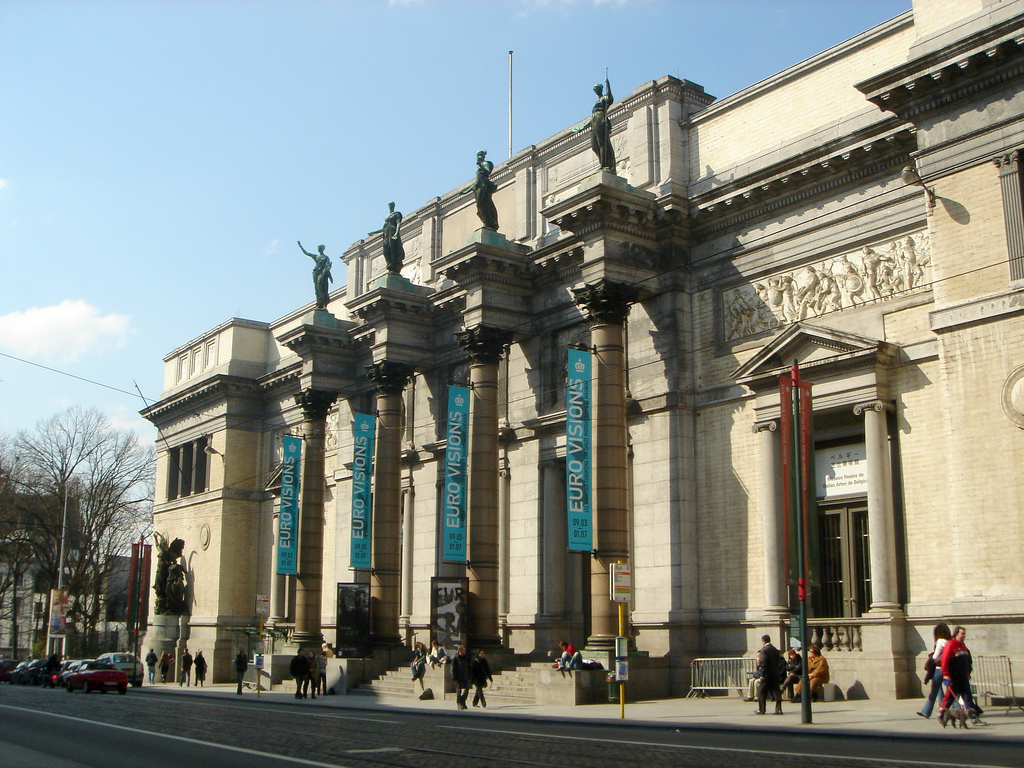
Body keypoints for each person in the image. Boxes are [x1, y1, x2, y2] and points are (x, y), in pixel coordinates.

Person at [938, 625, 984, 726]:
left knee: (968, 698)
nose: (964, 636)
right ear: (956, 634)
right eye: (962, 633)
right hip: (954, 677)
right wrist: (945, 675)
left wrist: (967, 672)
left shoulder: (963, 646)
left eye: (964, 634)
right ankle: (940, 716)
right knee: (949, 698)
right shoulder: (951, 645)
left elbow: (967, 661)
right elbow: (944, 660)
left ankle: (973, 718)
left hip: (963, 677)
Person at [918, 622, 952, 719]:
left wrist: (931, 656)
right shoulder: (949, 641)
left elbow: (936, 656)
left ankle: (927, 711)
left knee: (934, 691)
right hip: (948, 668)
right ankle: (942, 707)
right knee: (949, 689)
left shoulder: (940, 641)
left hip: (939, 668)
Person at [460, 150, 498, 231]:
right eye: (478, 155)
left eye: (480, 155)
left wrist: (480, 165)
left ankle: (488, 222)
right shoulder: (479, 168)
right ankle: (486, 222)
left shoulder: (485, 164)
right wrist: (466, 191)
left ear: (483, 156)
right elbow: (476, 183)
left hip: (483, 187)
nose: (479, 157)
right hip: (478, 188)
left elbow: (487, 171)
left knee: (482, 205)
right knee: (479, 206)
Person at [370, 202, 405, 274]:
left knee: (393, 250)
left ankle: (394, 267)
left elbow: (398, 224)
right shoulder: (387, 217)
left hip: (392, 232)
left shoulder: (396, 214)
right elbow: (383, 228)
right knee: (386, 251)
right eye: (389, 205)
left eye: (391, 205)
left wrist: (396, 233)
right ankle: (389, 264)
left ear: (393, 206)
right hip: (386, 234)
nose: (390, 206)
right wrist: (374, 232)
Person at [590, 76, 615, 171]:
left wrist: (608, 85)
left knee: (602, 143)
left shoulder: (604, 98)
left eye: (597, 89)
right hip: (594, 121)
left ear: (601, 89)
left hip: (601, 120)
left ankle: (604, 165)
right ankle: (602, 161)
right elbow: (593, 115)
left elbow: (610, 97)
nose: (596, 91)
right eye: (595, 90)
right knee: (594, 146)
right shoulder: (597, 102)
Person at [297, 241, 333, 309]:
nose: (319, 249)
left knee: (322, 288)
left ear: (322, 249)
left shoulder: (326, 257)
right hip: (316, 273)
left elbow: (328, 266)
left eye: (320, 248)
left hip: (323, 274)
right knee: (317, 289)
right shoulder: (316, 256)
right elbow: (306, 253)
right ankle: (319, 303)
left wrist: (329, 275)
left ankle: (324, 303)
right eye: (318, 248)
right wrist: (300, 246)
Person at [755, 635, 783, 715]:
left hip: (767, 675)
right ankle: (778, 709)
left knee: (762, 692)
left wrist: (762, 674)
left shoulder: (764, 650)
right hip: (775, 674)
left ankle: (762, 709)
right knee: (776, 692)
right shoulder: (774, 649)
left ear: (763, 641)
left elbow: (764, 663)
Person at [451, 644, 471, 710]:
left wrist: (469, 676)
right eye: (463, 650)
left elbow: (468, 667)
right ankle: (459, 704)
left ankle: (462, 701)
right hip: (458, 677)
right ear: (459, 650)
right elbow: (453, 669)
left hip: (465, 676)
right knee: (458, 692)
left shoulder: (466, 658)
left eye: (465, 650)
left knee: (466, 690)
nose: (465, 651)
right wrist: (454, 678)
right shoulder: (456, 659)